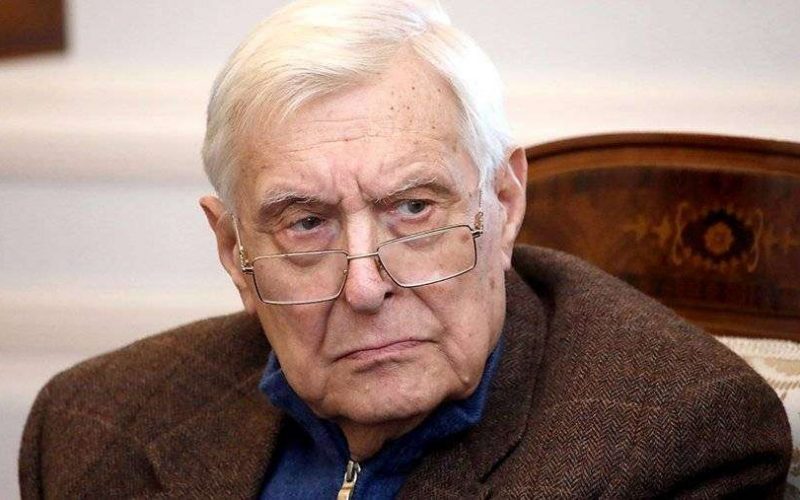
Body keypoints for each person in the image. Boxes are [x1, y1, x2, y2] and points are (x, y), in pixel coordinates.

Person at [19, 0, 790, 497]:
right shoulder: (92, 424)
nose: (365, 287)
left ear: (503, 204)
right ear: (234, 252)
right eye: (306, 223)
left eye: (413, 210)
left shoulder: (671, 440)